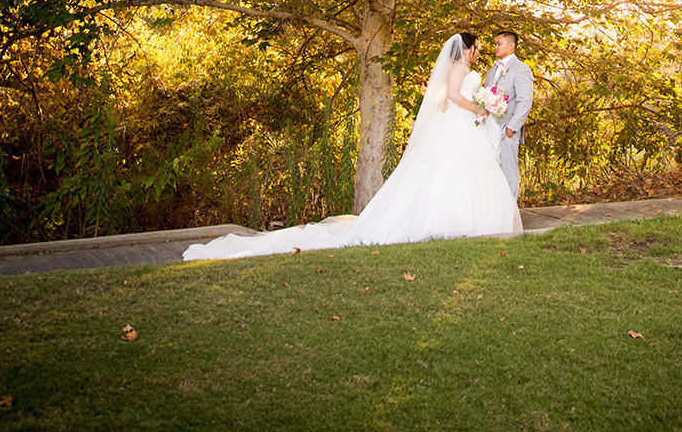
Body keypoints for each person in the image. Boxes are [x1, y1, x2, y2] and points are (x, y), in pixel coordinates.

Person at [182, 32, 521, 261]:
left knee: (460, 176)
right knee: (442, 176)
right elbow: (454, 96)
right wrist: (479, 107)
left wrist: (483, 106)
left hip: (464, 128)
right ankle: (439, 224)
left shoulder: (470, 68)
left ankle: (462, 223)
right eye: (477, 47)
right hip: (458, 125)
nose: (480, 52)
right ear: (466, 50)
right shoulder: (459, 69)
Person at [484, 31, 533, 200]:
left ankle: (511, 217)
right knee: (491, 174)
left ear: (511, 46)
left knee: (509, 174)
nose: (495, 47)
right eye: (495, 43)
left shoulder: (522, 70)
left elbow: (524, 101)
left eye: (499, 43)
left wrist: (512, 128)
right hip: (489, 130)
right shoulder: (491, 72)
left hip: (507, 130)